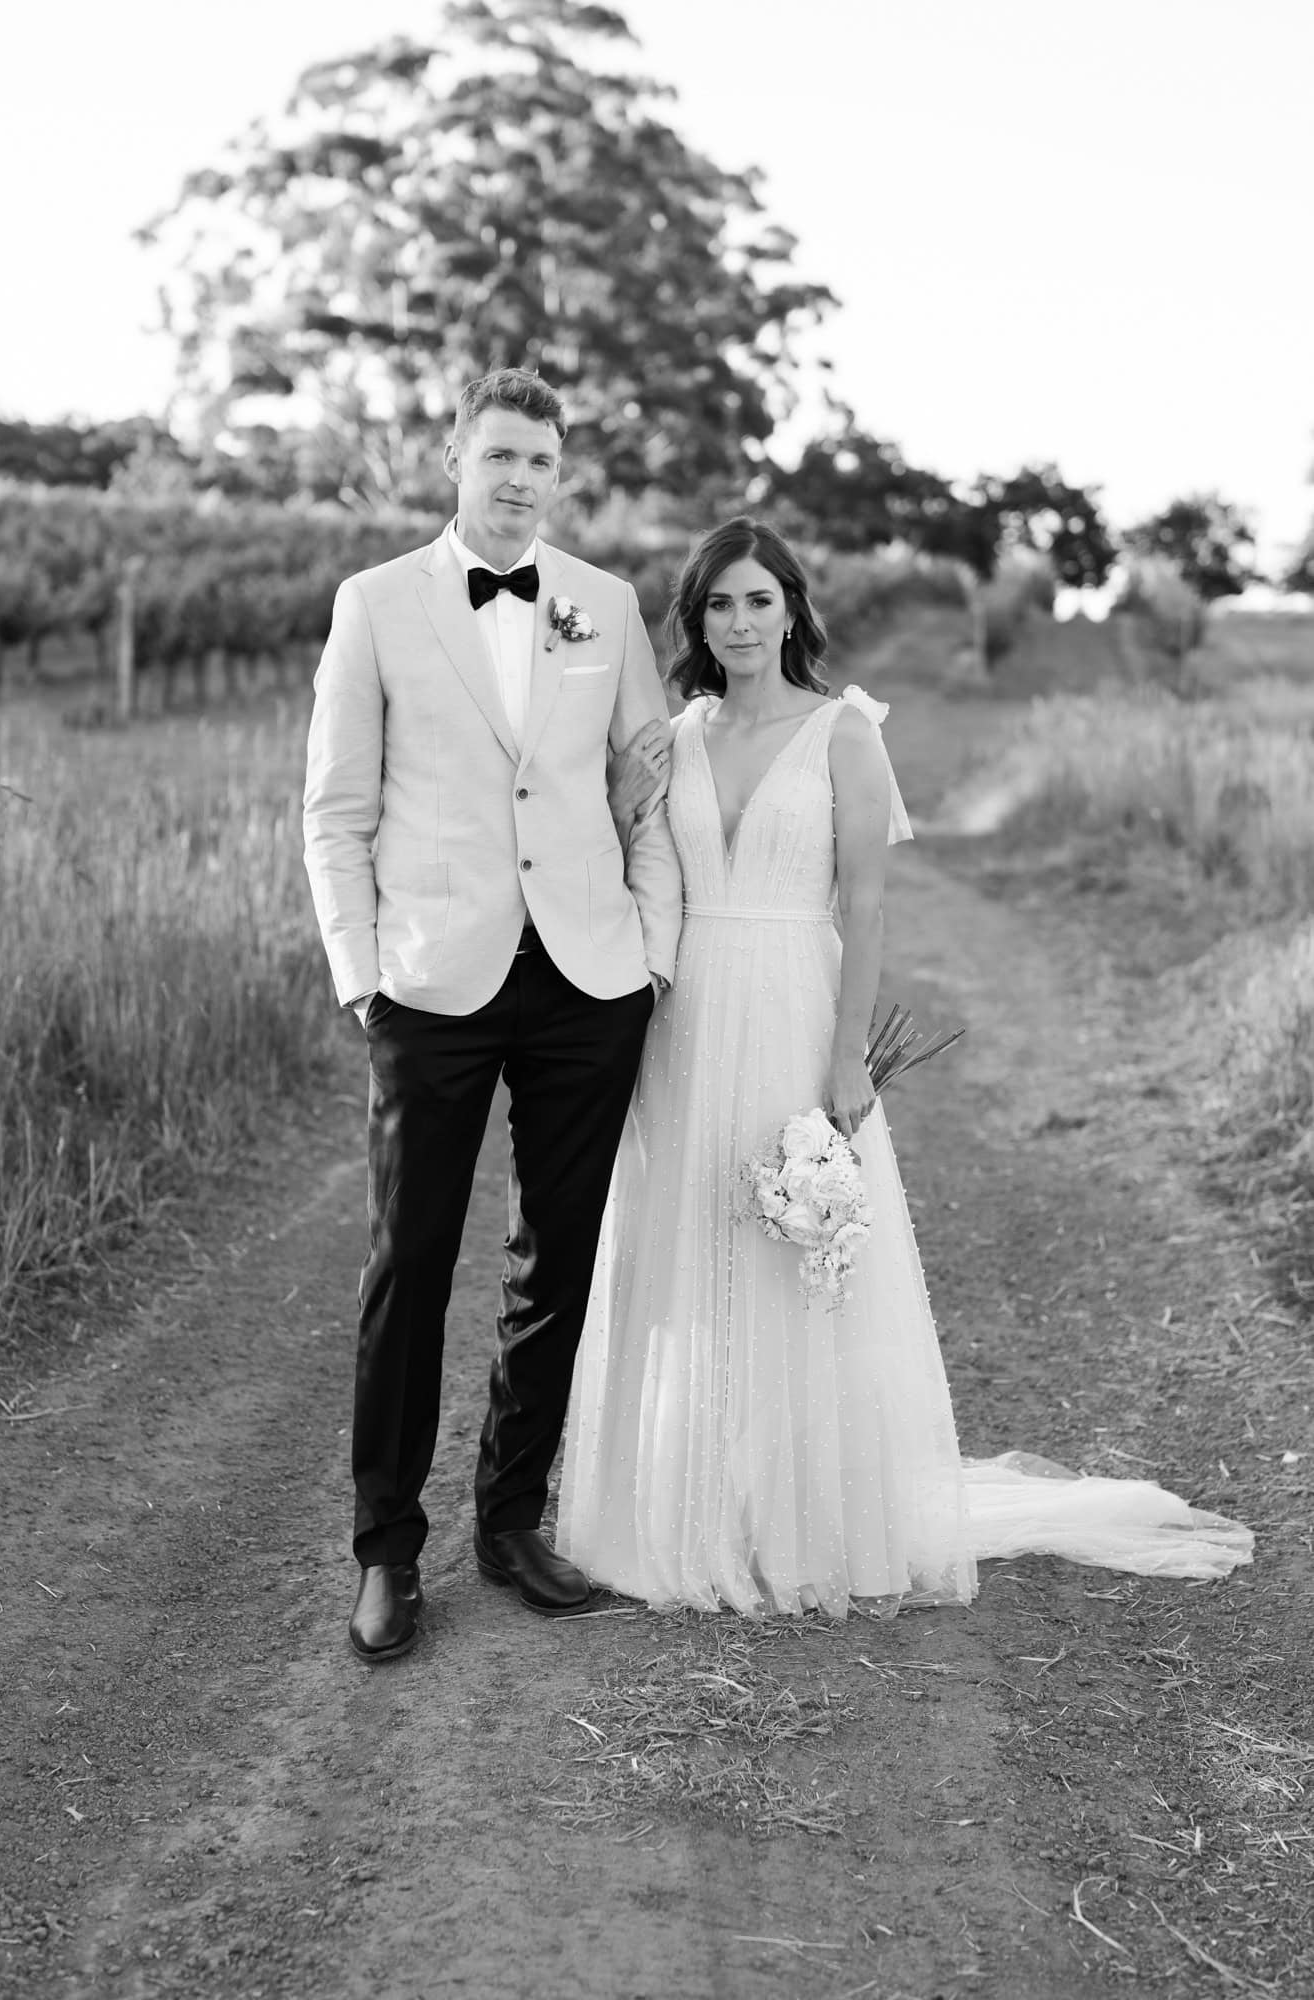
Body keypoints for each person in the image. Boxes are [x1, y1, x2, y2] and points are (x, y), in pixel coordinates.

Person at [556, 518, 1252, 1617]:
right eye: (718, 605)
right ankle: (691, 1505)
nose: (738, 624)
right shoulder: (674, 735)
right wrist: (622, 800)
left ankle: (803, 1520)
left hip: (791, 997)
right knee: (687, 1244)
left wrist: (845, 1060)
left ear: (791, 608)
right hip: (683, 1015)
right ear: (693, 621)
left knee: (796, 1259)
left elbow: (866, 906)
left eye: (758, 600)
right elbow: (621, 859)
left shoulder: (844, 732)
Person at [303, 369, 682, 1661]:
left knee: (556, 1257)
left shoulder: (607, 605)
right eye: (500, 455)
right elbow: (334, 812)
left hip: (585, 977)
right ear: (454, 458)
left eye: (541, 460)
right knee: (407, 1262)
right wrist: (362, 971)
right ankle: (385, 1550)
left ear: (558, 474)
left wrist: (656, 950)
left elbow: (650, 791)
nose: (521, 479)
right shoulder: (375, 606)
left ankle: (510, 1518)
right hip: (431, 981)